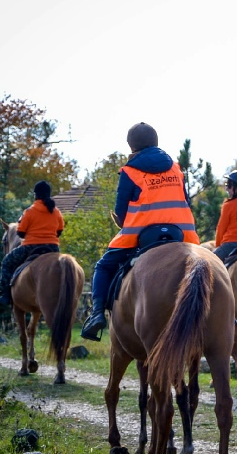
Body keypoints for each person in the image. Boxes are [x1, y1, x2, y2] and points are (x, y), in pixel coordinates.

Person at [80, 122, 200, 341]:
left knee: (103, 266)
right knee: (210, 265)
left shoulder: (130, 171)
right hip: (182, 235)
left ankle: (96, 315)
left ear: (132, 146)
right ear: (156, 142)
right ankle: (225, 309)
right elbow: (186, 202)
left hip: (141, 237)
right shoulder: (176, 168)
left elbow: (121, 212)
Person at [0, 180, 64, 306]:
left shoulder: (30, 211)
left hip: (31, 247)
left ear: (35, 195)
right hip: (53, 248)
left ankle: (5, 295)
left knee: (7, 262)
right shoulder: (56, 212)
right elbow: (59, 231)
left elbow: (20, 233)